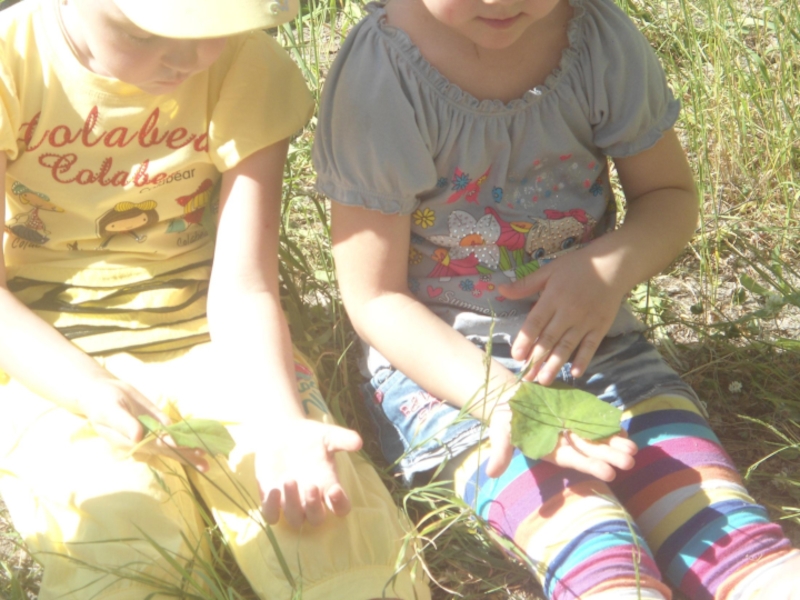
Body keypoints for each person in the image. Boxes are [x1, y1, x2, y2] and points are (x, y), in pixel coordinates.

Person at [312, 0, 800, 598]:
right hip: (451, 380)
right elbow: (375, 297)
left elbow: (669, 196)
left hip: (599, 349)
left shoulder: (597, 41)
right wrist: (503, 401)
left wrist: (604, 269)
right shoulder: (382, 76)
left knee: (728, 536)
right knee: (595, 549)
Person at [0, 0, 430, 598]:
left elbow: (244, 285)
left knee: (321, 514)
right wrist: (88, 388)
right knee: (118, 536)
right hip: (47, 354)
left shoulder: (244, 65)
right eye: (145, 34)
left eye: (216, 31)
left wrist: (282, 419)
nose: (190, 59)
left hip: (213, 337)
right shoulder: (12, 61)